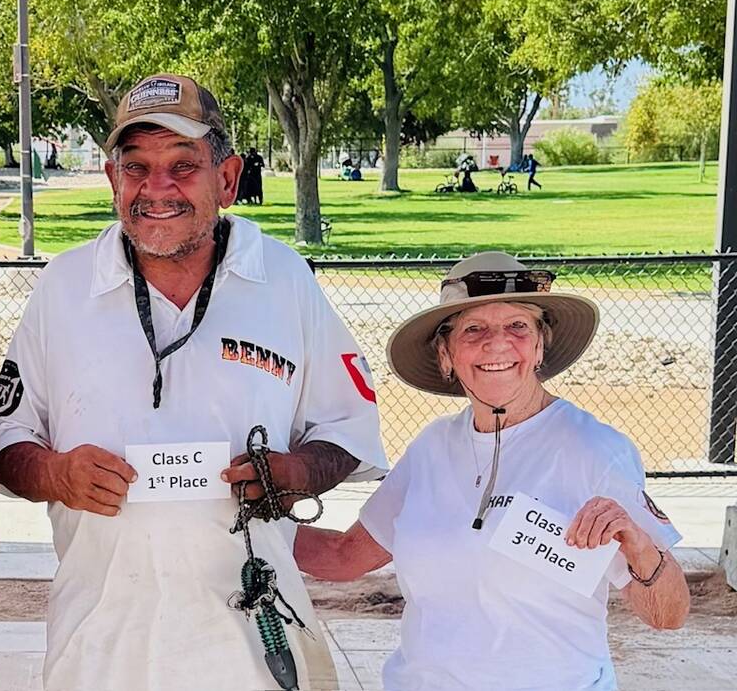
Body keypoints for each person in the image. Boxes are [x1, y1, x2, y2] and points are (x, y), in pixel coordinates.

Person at [0, 73, 388, 691]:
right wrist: (55, 473)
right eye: (136, 166)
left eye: (183, 165)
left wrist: (296, 474)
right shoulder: (63, 287)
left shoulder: (283, 278)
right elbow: (3, 441)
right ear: (113, 180)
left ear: (226, 179)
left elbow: (347, 430)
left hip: (253, 642)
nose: (157, 188)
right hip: (99, 646)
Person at [295, 251, 689, 691]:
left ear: (540, 345)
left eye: (518, 326)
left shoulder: (594, 450)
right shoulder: (432, 447)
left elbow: (667, 615)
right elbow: (345, 557)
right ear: (446, 354)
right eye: (474, 329)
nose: (497, 343)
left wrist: (638, 545)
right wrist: (227, 526)